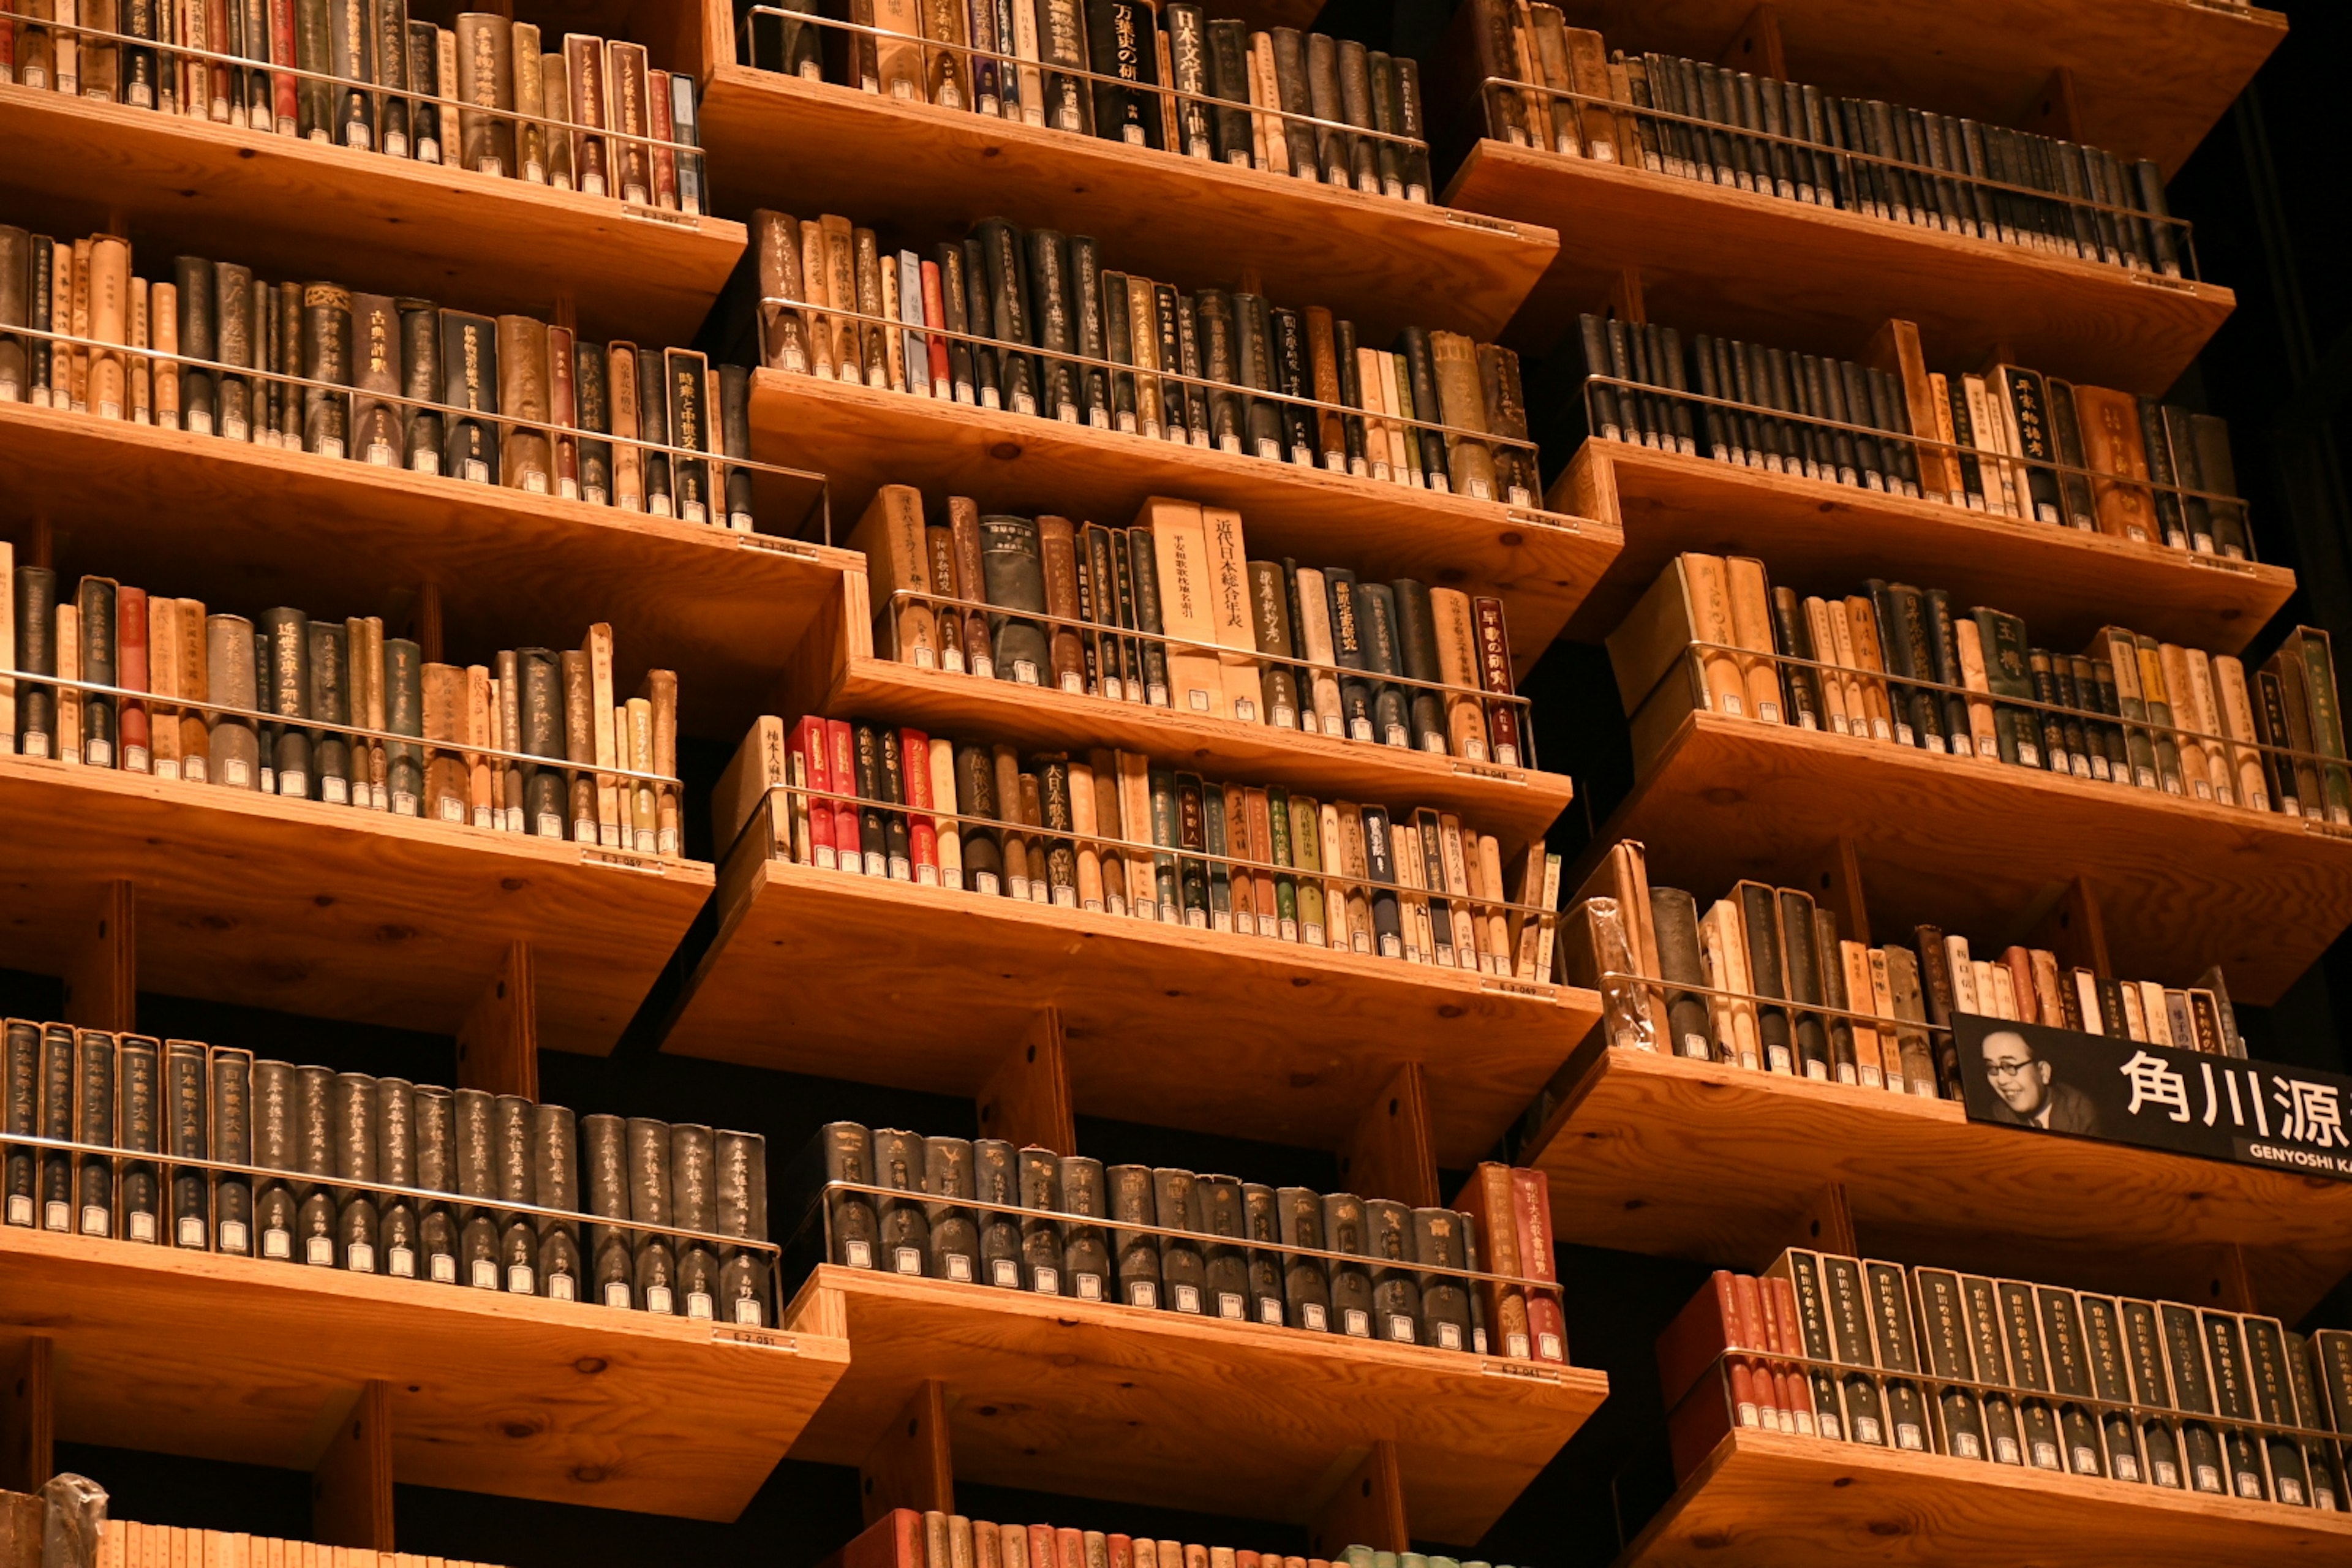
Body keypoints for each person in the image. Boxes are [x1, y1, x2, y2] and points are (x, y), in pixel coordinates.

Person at [1979, 1028, 2101, 1134]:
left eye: (2010, 1066)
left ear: (2043, 1071)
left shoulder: (2081, 1113)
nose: (2001, 1080)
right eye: (1991, 1068)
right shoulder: (1998, 1113)